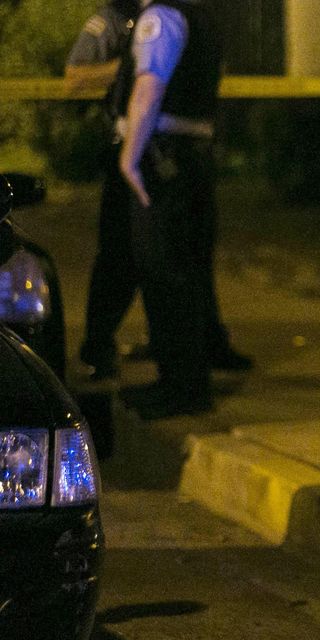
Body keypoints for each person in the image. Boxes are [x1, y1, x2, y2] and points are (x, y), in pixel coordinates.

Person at [114, 0, 238, 419]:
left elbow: (149, 89)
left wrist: (130, 157)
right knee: (187, 273)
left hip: (164, 156)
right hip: (192, 155)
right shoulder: (201, 15)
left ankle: (180, 389)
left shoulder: (161, 18)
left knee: (163, 272)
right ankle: (184, 382)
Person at [66, 0, 139, 380]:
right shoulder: (109, 22)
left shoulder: (163, 16)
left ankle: (187, 342)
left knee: (173, 254)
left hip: (160, 147)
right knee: (119, 254)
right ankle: (97, 345)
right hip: (125, 149)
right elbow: (75, 75)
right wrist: (129, 65)